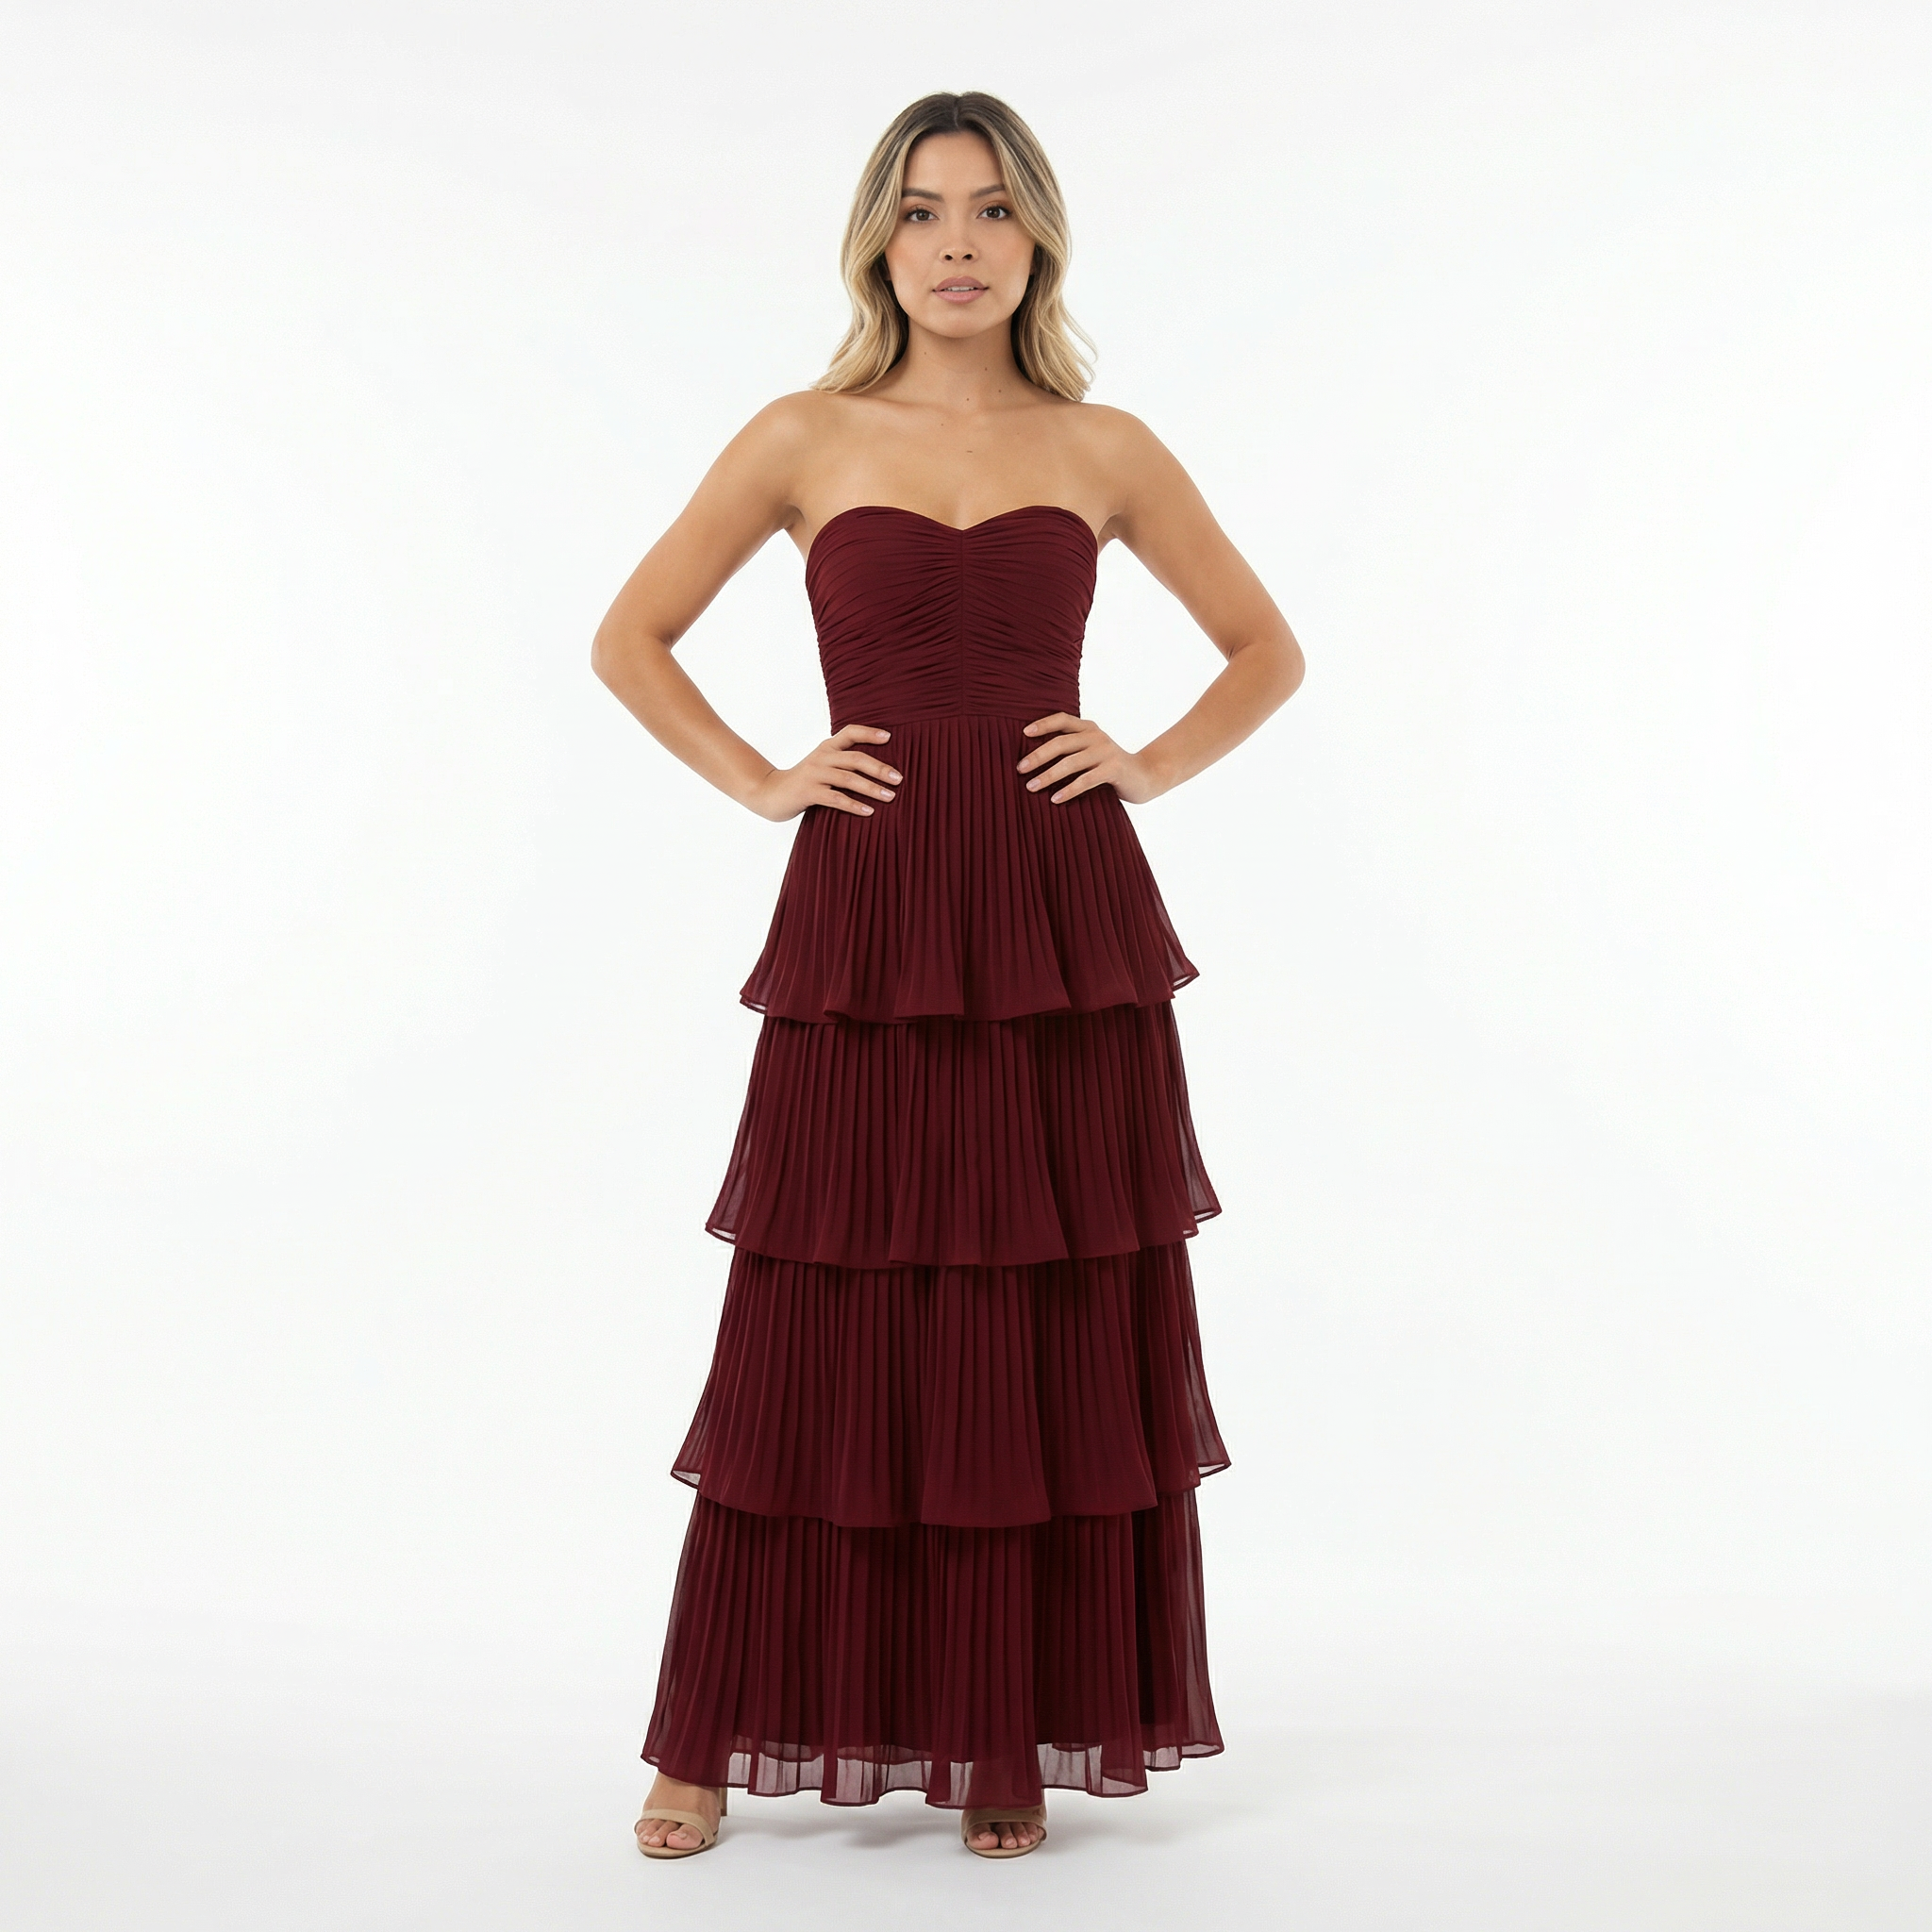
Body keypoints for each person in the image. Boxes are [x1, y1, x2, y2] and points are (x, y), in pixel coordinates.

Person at [591, 89, 1303, 1861]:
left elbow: (1264, 650)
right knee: (817, 1310)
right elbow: (631, 637)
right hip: (873, 912)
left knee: (1040, 1313)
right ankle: (707, 1735)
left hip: (1062, 923)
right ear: (878, 241)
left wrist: (1148, 760)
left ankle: (1005, 1726)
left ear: (1038, 234)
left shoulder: (1106, 446)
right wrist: (764, 778)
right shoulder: (803, 433)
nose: (958, 243)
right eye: (922, 211)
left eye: (990, 209)